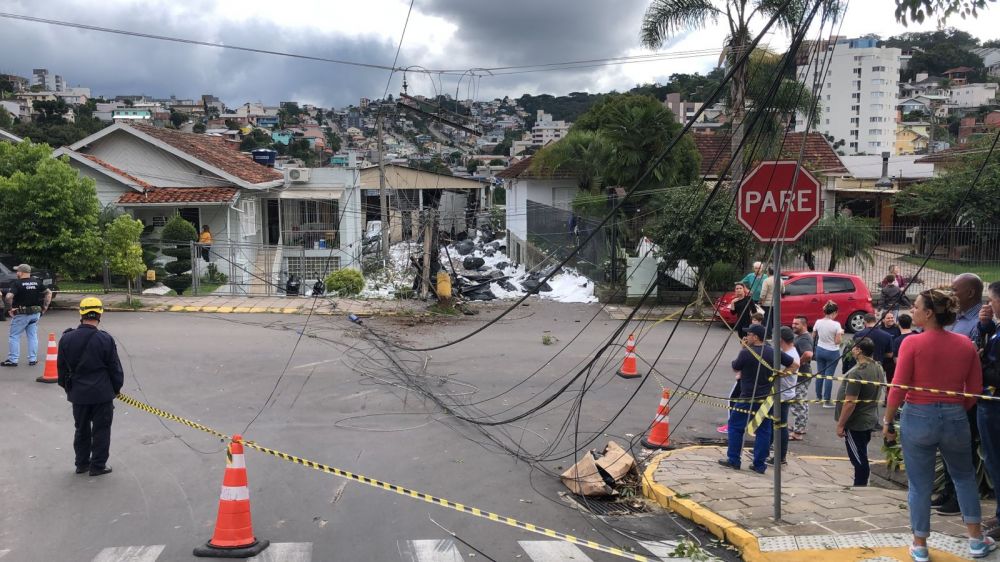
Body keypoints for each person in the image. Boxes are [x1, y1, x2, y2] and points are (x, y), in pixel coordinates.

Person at [883, 288, 994, 561]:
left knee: (920, 485)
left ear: (930, 313)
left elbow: (898, 387)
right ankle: (976, 540)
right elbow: (975, 389)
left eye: (917, 306)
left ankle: (920, 545)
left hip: (918, 415)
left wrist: (887, 420)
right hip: (955, 416)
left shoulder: (911, 344)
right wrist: (956, 407)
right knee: (964, 477)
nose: (913, 310)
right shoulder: (965, 344)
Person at [56, 297, 124, 477]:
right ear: (100, 313)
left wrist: (68, 388)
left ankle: (82, 464)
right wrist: (115, 389)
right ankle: (98, 466)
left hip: (78, 394)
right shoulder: (105, 339)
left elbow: (61, 370)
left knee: (81, 429)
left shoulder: (66, 338)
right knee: (101, 430)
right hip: (102, 393)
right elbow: (115, 369)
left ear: (81, 313)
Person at [937, 273, 986, 516]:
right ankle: (947, 491)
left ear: (969, 293)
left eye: (955, 289)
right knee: (946, 445)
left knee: (961, 448)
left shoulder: (980, 321)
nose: (951, 293)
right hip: (947, 392)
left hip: (966, 396)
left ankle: (959, 499)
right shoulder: (955, 318)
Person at [719, 324, 797, 474]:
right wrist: (781, 374)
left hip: (747, 397)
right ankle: (759, 465)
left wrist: (743, 348)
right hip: (766, 399)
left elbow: (736, 367)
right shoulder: (773, 352)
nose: (746, 337)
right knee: (764, 430)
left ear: (755, 337)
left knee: (735, 427)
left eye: (749, 335)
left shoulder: (746, 353)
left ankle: (734, 460)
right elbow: (794, 365)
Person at [834, 337, 884, 487]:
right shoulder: (877, 367)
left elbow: (850, 402)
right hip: (869, 418)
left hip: (856, 422)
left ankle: (860, 487)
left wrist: (841, 424)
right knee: (861, 453)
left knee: (859, 458)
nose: (851, 350)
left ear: (858, 350)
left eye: (853, 348)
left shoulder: (857, 372)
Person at [976, 281, 1000, 540]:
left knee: (996, 459)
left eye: (991, 301)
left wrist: (976, 362)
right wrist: (986, 327)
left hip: (994, 403)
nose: (988, 306)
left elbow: (995, 370)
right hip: (989, 403)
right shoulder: (996, 328)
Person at [2, 264, 52, 367]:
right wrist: (45, 307)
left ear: (22, 272)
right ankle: (32, 359)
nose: (17, 273)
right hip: (35, 313)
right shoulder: (37, 282)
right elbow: (48, 293)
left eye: (18, 271)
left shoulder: (17, 283)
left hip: (22, 314)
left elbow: (8, 297)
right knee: (32, 336)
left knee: (14, 336)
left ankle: (13, 360)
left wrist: (9, 309)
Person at [769, 326, 799, 465]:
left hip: (783, 395)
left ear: (781, 339)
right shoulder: (785, 352)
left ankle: (781, 457)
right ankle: (765, 448)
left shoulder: (791, 356)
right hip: (779, 393)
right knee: (770, 423)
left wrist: (781, 373)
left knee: (781, 426)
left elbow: (795, 366)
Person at [812, 301, 844, 407]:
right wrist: (841, 334)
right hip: (832, 351)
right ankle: (827, 400)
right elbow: (837, 341)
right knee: (829, 376)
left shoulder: (818, 322)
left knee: (820, 374)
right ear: (834, 312)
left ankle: (818, 397)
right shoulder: (836, 325)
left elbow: (814, 335)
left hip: (820, 350)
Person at [789, 316, 814, 441]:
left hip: (801, 374)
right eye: (793, 323)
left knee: (798, 402)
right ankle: (800, 427)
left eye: (796, 324)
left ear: (804, 325)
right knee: (801, 401)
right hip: (802, 374)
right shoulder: (801, 337)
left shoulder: (804, 339)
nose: (793, 325)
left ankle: (798, 432)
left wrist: (797, 363)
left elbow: (809, 354)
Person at [951, 273, 985, 341]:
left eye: (954, 290)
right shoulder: (952, 313)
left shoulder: (981, 324)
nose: (950, 294)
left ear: (970, 293)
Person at [759, 267, 776, 334]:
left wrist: (760, 301)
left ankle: (769, 334)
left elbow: (763, 293)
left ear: (768, 272)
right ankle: (774, 332)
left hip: (767, 303)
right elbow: (783, 290)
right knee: (773, 319)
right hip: (776, 303)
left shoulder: (766, 280)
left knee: (767, 319)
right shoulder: (780, 280)